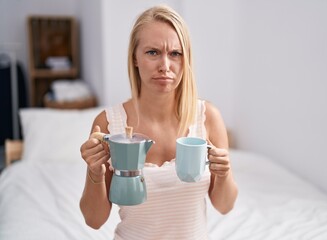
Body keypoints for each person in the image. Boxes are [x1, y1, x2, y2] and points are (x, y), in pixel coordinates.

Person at [80, 5, 238, 239]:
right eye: (152, 52)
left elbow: (224, 206)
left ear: (186, 59)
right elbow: (94, 220)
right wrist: (95, 172)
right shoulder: (108, 123)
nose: (165, 65)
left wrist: (224, 173)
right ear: (135, 57)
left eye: (175, 53)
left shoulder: (208, 117)